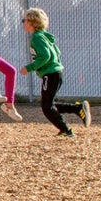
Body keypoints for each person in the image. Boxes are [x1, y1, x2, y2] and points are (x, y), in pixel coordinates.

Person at [22, 7, 90, 137]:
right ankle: (77, 109)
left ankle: (67, 130)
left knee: (47, 107)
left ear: (31, 22)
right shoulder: (45, 36)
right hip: (56, 73)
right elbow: (56, 53)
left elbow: (45, 56)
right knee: (48, 105)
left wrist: (29, 68)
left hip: (51, 74)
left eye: (24, 20)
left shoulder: (36, 37)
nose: (23, 23)